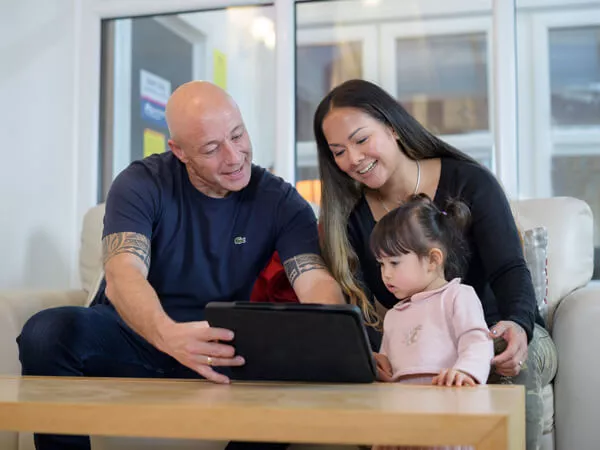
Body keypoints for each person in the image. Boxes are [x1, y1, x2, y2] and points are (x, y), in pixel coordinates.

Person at [17, 81, 345, 450]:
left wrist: (338, 341)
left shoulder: (281, 200)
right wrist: (167, 334)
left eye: (237, 135)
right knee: (47, 332)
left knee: (294, 369)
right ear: (179, 151)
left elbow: (314, 280)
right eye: (211, 149)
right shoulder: (141, 183)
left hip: (221, 343)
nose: (235, 157)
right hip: (137, 335)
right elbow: (123, 273)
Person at [314, 79, 557, 450]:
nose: (353, 158)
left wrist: (519, 326)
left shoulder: (469, 183)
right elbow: (364, 308)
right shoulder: (350, 220)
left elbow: (510, 270)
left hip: (496, 332)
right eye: (339, 151)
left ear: (392, 128)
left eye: (361, 140)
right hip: (423, 347)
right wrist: (375, 354)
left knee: (501, 360)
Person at [369, 194, 494, 450]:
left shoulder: (458, 296)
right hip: (401, 423)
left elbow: (477, 341)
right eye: (381, 264)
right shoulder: (393, 315)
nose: (386, 274)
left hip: (447, 418)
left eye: (394, 262)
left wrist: (465, 372)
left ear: (433, 260)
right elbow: (389, 369)